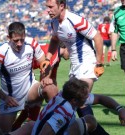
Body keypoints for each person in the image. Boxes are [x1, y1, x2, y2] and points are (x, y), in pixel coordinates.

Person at [41, 0, 106, 133]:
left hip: (88, 63)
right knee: (73, 103)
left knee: (78, 100)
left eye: (51, 7)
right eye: (47, 7)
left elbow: (97, 38)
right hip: (75, 67)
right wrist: (48, 58)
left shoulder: (76, 20)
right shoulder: (54, 22)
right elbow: (54, 40)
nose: (48, 10)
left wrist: (99, 63)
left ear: (61, 6)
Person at [0, 22, 58, 134]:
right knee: (3, 133)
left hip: (30, 90)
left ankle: (56, 126)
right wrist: (5, 97)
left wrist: (45, 78)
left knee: (50, 87)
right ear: (8, 38)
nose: (19, 43)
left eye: (22, 40)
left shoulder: (32, 43)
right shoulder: (0, 53)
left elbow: (44, 63)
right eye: (15, 40)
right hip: (10, 99)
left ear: (25, 35)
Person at [31, 77, 125, 135]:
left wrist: (120, 109)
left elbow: (100, 98)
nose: (87, 98)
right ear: (74, 100)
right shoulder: (64, 112)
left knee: (90, 120)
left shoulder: (64, 95)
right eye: (85, 97)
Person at [11, 42, 69, 131]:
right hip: (18, 71)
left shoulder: (56, 56)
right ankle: (31, 124)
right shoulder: (53, 55)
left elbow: (53, 79)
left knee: (37, 97)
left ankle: (20, 126)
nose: (72, 54)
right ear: (66, 47)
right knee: (39, 95)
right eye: (72, 50)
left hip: (22, 71)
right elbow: (45, 81)